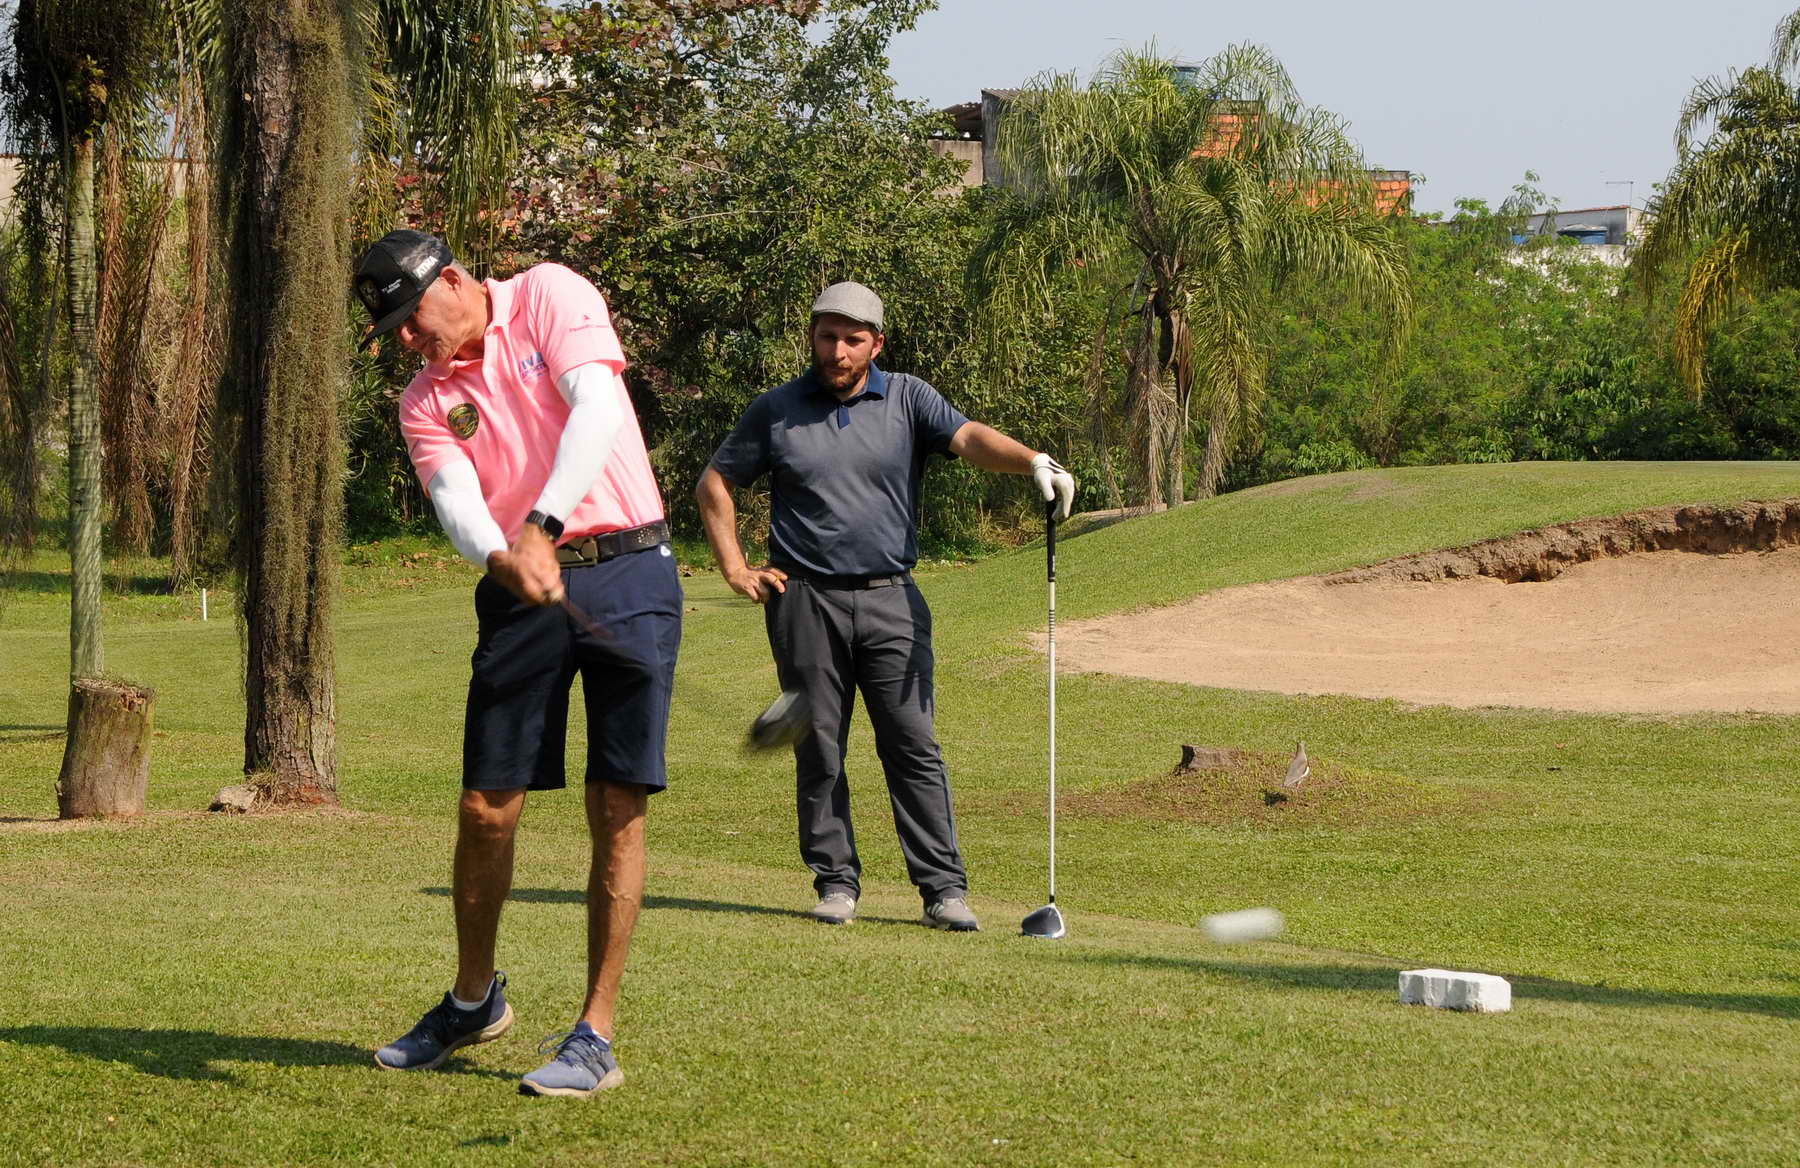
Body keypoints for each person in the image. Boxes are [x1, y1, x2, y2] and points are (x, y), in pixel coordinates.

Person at [354, 229, 681, 1098]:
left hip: (627, 568)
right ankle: (474, 1001)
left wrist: (542, 523)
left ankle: (594, 1036)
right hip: (519, 586)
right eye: (392, 330)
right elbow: (454, 497)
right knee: (485, 807)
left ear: (454, 280)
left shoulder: (547, 294)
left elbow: (596, 407)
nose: (408, 339)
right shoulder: (425, 399)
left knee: (618, 805)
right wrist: (503, 556)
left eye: (411, 317)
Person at [695, 281, 1074, 931]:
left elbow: (969, 438)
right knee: (819, 746)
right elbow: (715, 482)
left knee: (913, 744)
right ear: (812, 337)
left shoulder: (907, 397)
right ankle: (836, 883)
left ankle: (942, 891)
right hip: (804, 600)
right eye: (827, 336)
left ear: (877, 344)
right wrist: (734, 566)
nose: (837, 351)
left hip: (891, 598)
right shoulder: (776, 409)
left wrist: (1033, 461)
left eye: (853, 339)